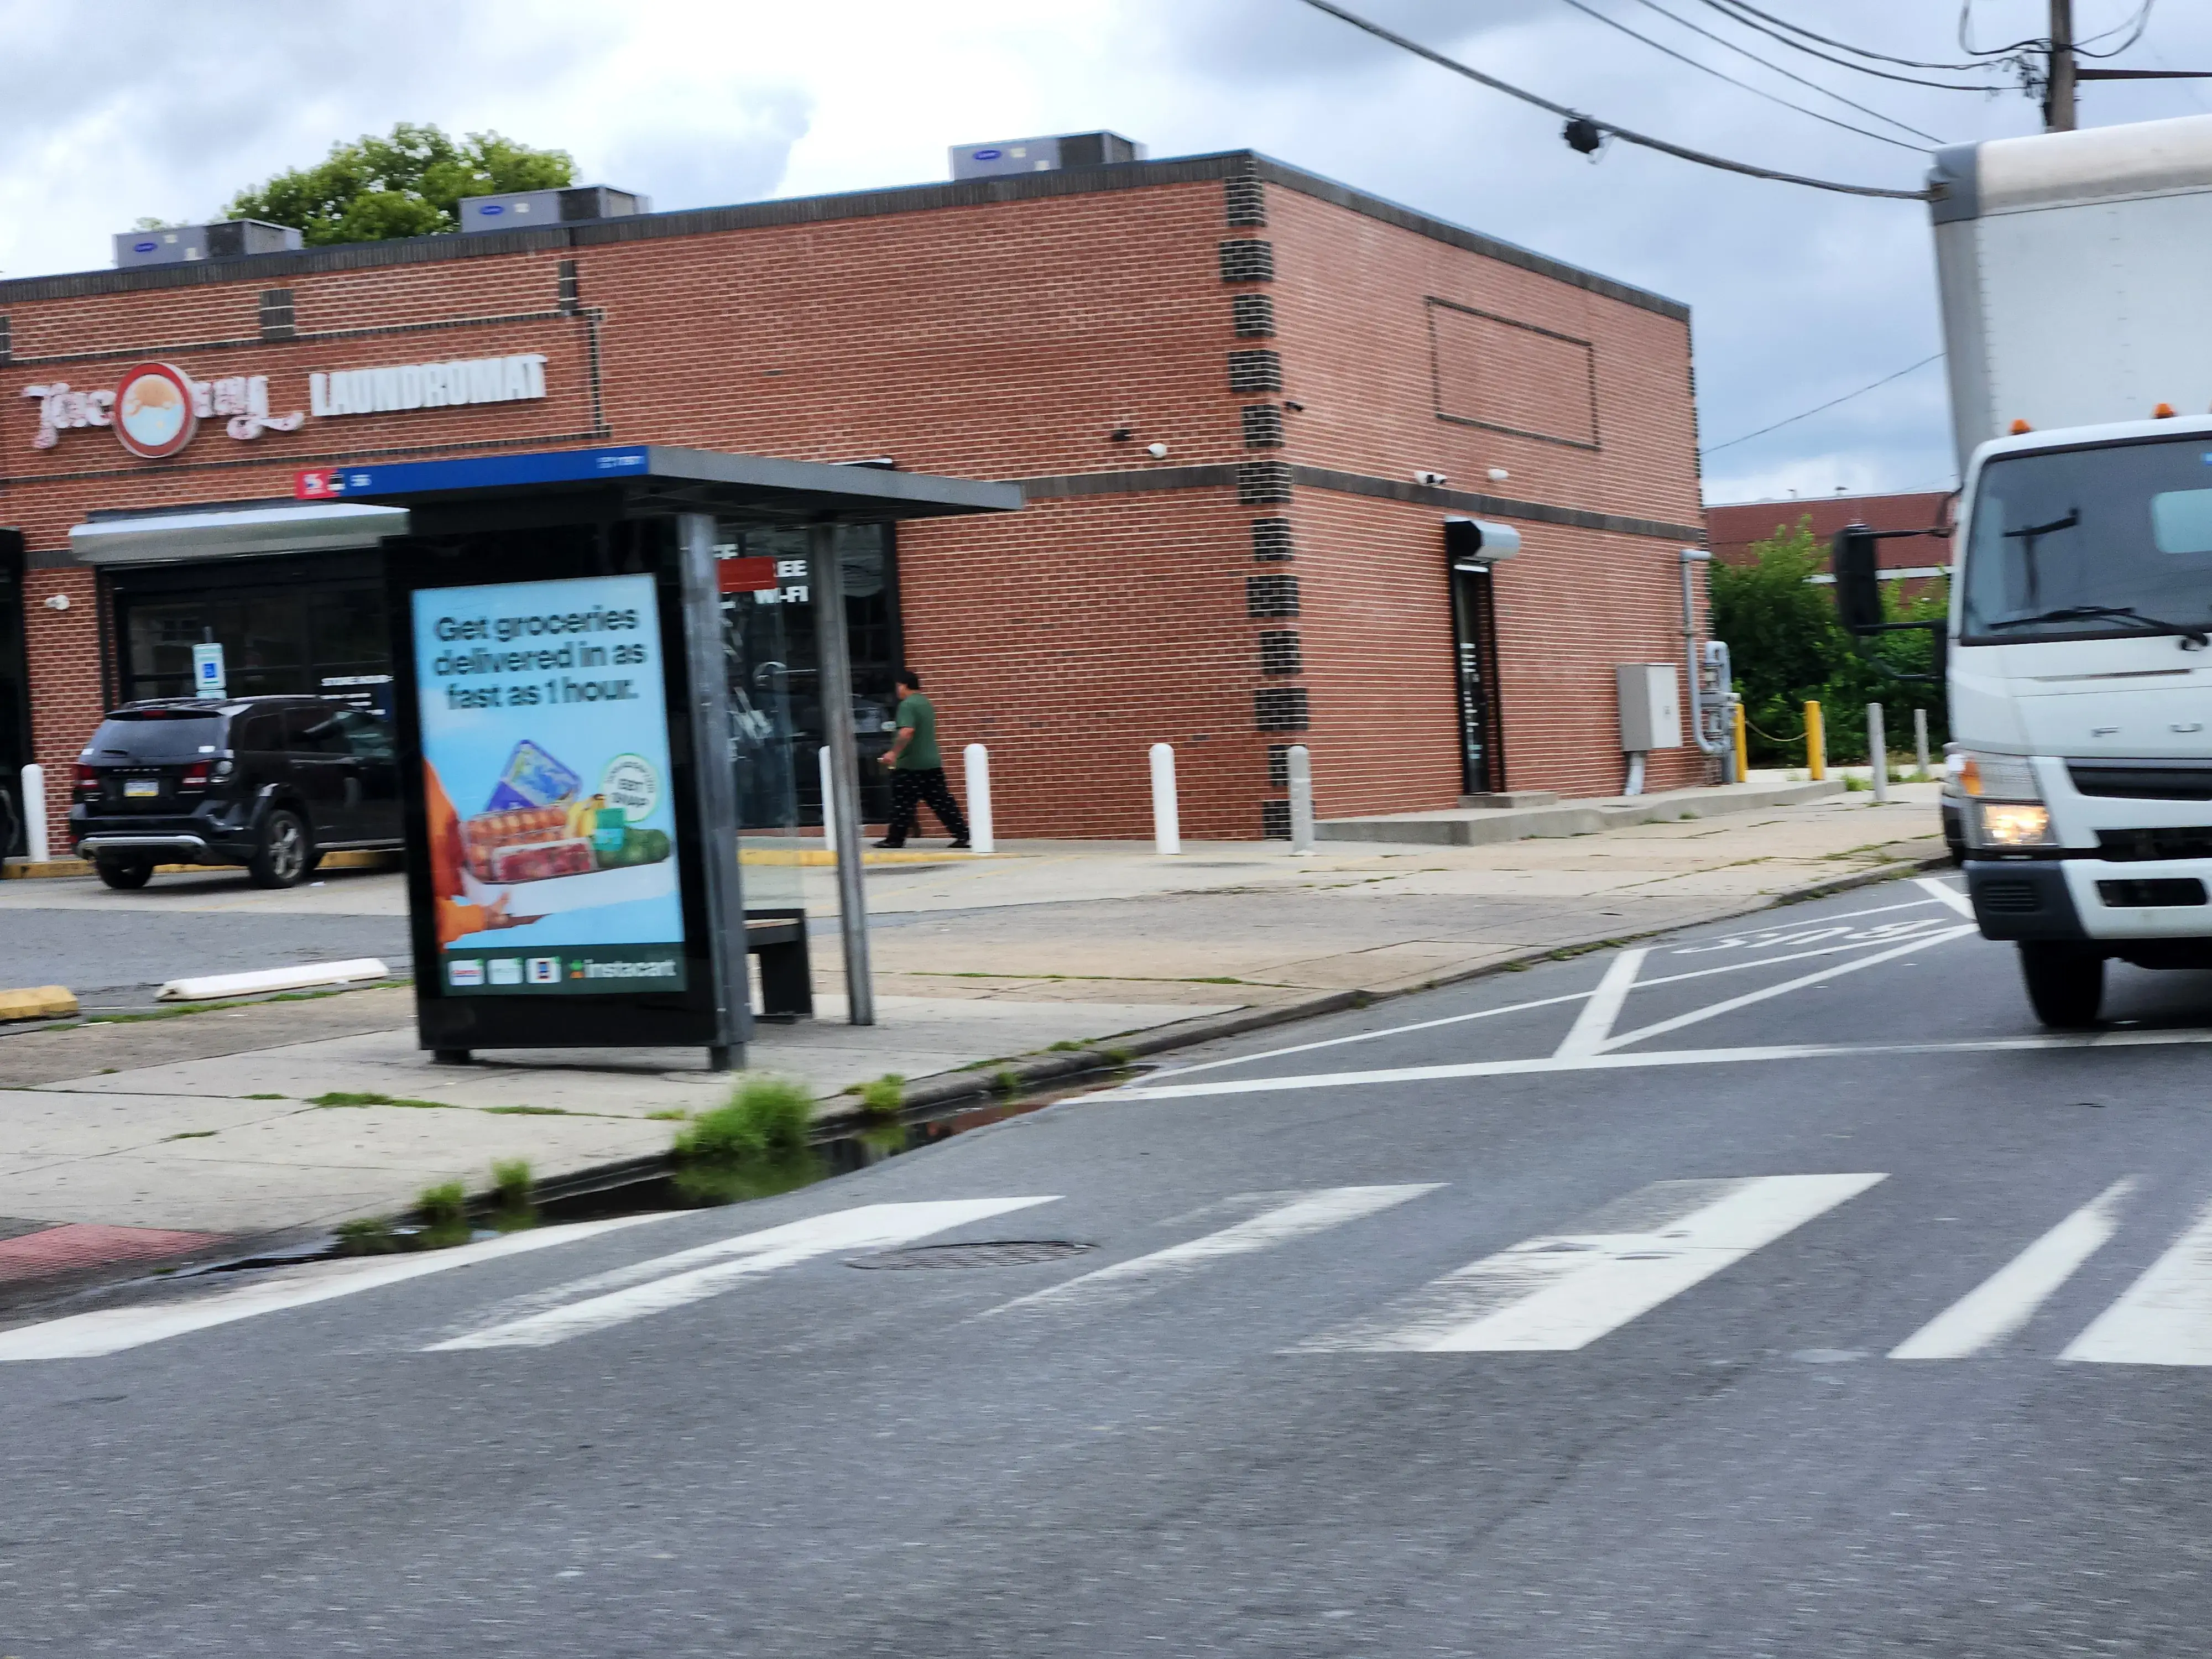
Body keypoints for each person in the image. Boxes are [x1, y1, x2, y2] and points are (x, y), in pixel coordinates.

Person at [875, 669, 970, 849]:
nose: (897, 690)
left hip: (910, 766)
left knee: (902, 805)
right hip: (931, 764)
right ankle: (963, 834)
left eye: (898, 686)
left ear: (903, 685)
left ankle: (895, 839)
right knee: (942, 802)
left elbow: (907, 731)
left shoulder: (908, 705)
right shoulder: (926, 703)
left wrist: (893, 753)